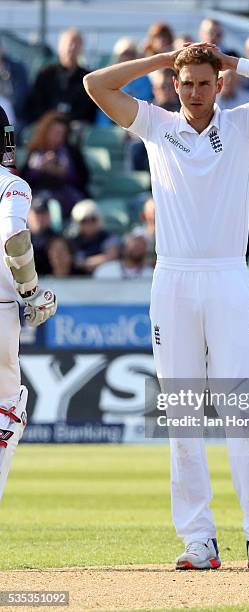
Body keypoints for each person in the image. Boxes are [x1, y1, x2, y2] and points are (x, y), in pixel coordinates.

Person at [84, 41, 249, 570]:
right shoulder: (156, 125)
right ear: (175, 85)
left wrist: (240, 63)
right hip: (174, 280)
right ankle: (198, 540)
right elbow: (96, 84)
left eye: (205, 83)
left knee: (243, 412)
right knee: (183, 415)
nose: (195, 92)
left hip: (229, 276)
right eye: (186, 83)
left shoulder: (243, 124)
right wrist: (162, 61)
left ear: (220, 83)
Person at [0, 106, 57, 500]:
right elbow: (15, 237)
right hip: (1, 309)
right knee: (7, 412)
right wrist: (31, 292)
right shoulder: (11, 185)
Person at [22, 111, 90, 219]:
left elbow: (83, 180)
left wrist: (62, 172)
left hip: (67, 195)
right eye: (53, 132)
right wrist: (40, 169)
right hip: (38, 196)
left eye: (60, 133)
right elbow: (25, 180)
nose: (56, 137)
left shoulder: (72, 153)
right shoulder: (35, 151)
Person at [26, 28, 97, 124]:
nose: (71, 48)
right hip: (47, 125)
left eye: (76, 44)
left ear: (81, 48)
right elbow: (35, 105)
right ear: (60, 47)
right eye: (68, 43)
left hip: (77, 129)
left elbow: (90, 110)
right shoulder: (45, 74)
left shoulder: (87, 78)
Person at [97, 38, 153, 125]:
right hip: (113, 122)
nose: (127, 57)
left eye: (131, 53)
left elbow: (145, 102)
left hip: (138, 121)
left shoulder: (144, 79)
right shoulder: (109, 78)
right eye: (124, 54)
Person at [70, 199, 119, 274]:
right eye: (84, 220)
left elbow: (111, 257)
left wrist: (84, 263)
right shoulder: (72, 241)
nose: (89, 223)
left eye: (93, 219)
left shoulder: (108, 238)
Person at [28, 194, 59, 275]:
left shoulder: (56, 239)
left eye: (44, 213)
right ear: (29, 215)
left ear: (49, 215)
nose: (40, 217)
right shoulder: (19, 237)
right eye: (37, 213)